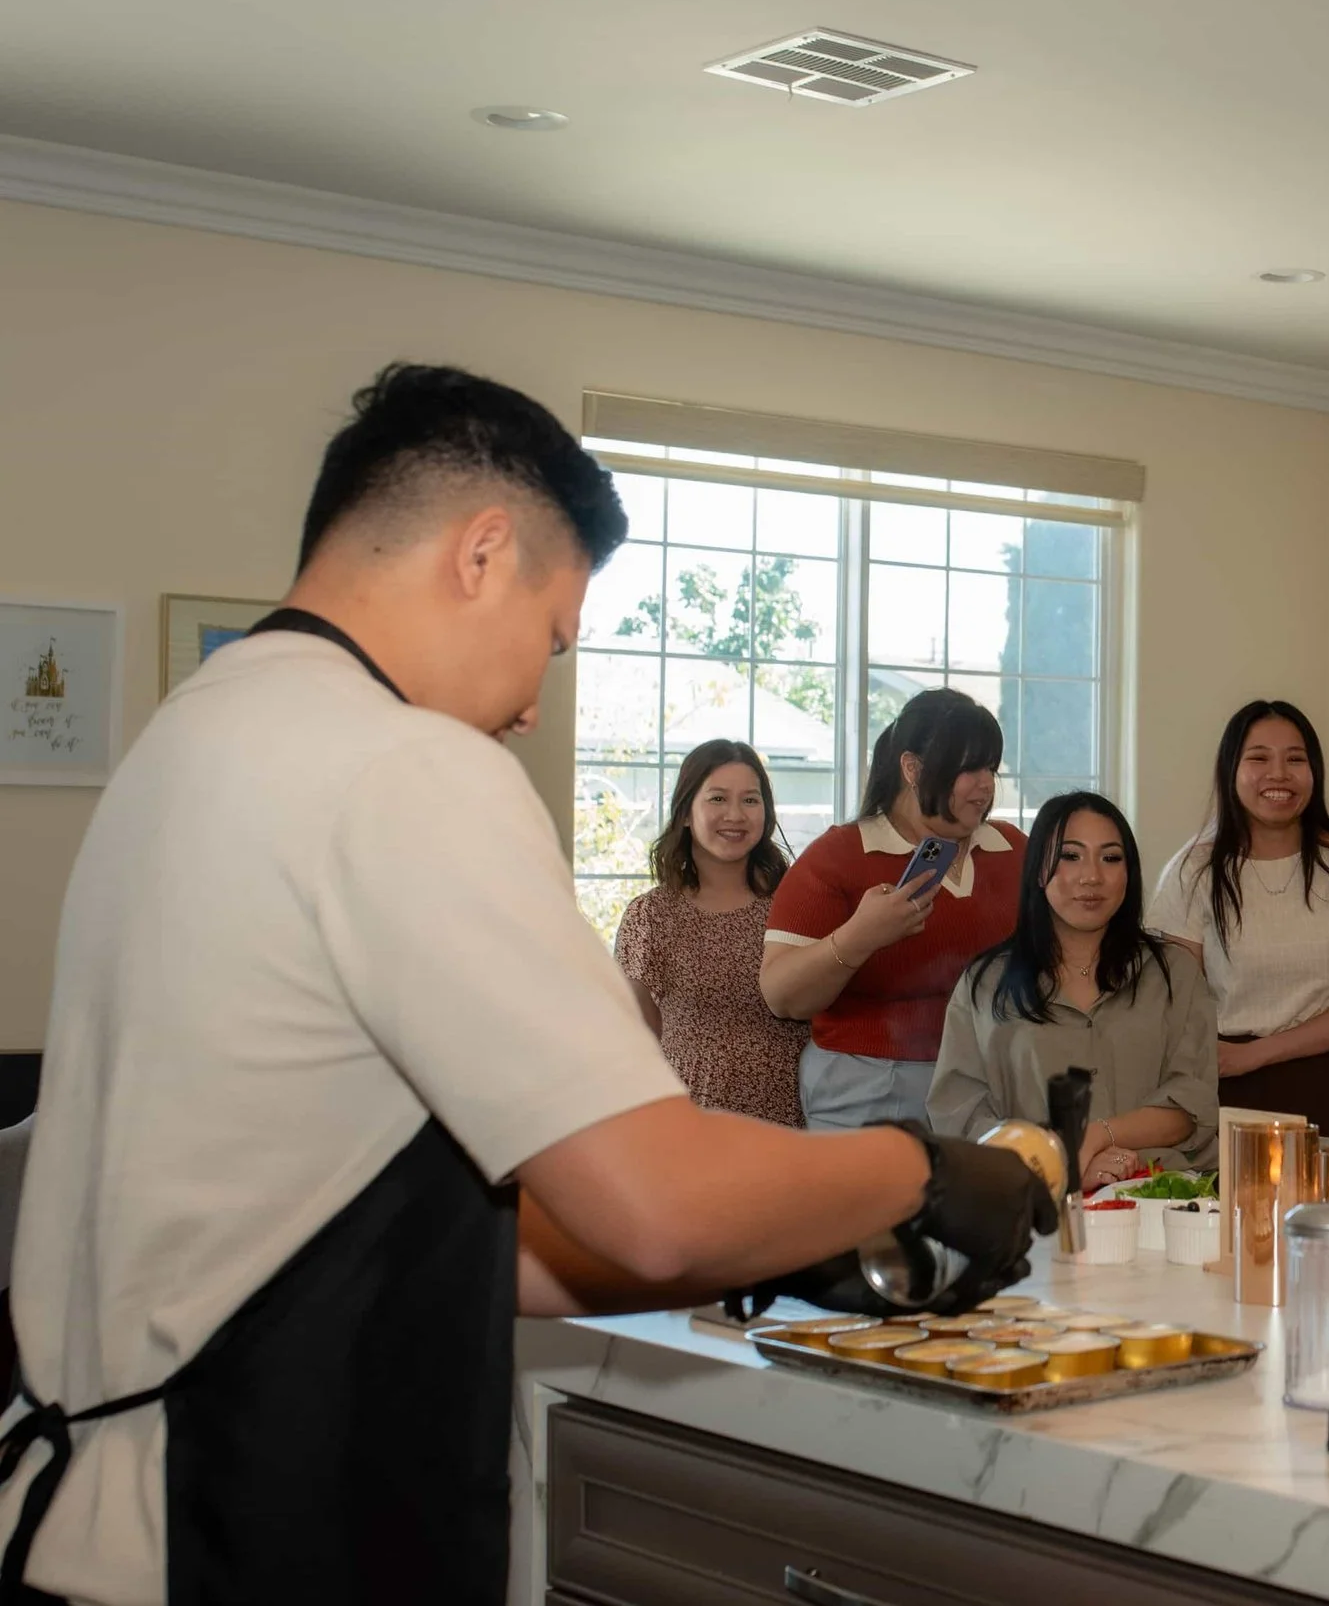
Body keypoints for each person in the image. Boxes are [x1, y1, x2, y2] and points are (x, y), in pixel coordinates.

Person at [0, 365, 1051, 1603]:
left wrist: (790, 1236)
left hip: (89, 1523)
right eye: (552, 638)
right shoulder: (399, 767)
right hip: (250, 1525)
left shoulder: (195, 736)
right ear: (482, 554)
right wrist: (922, 1173)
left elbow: (438, 1243)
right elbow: (653, 1203)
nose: (532, 700)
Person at [761, 690, 1027, 1131]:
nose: (986, 786)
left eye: (991, 769)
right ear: (912, 768)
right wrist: (860, 936)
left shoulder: (1014, 849)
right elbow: (781, 996)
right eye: (969, 769)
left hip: (991, 1084)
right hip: (868, 1091)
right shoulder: (839, 855)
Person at [931, 792, 1219, 1188]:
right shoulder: (986, 984)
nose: (1091, 876)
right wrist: (1058, 1160)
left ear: (1129, 873)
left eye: (1110, 857)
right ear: (1038, 870)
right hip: (1029, 1199)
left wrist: (1098, 1136)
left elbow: (1192, 1104)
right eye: (1070, 856)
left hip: (1161, 1193)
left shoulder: (1174, 973)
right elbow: (962, 1116)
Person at [1147, 701, 1329, 1141]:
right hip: (1225, 1084)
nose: (1278, 774)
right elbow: (1178, 1007)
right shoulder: (1192, 871)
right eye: (1259, 757)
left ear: (1314, 771)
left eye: (1295, 759)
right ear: (1231, 770)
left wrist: (1259, 1054)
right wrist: (1237, 1060)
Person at [613, 739, 812, 1126]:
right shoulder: (650, 915)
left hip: (793, 1123)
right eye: (718, 799)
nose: (735, 815)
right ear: (686, 813)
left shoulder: (797, 906)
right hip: (688, 1125)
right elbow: (641, 1039)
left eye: (751, 800)